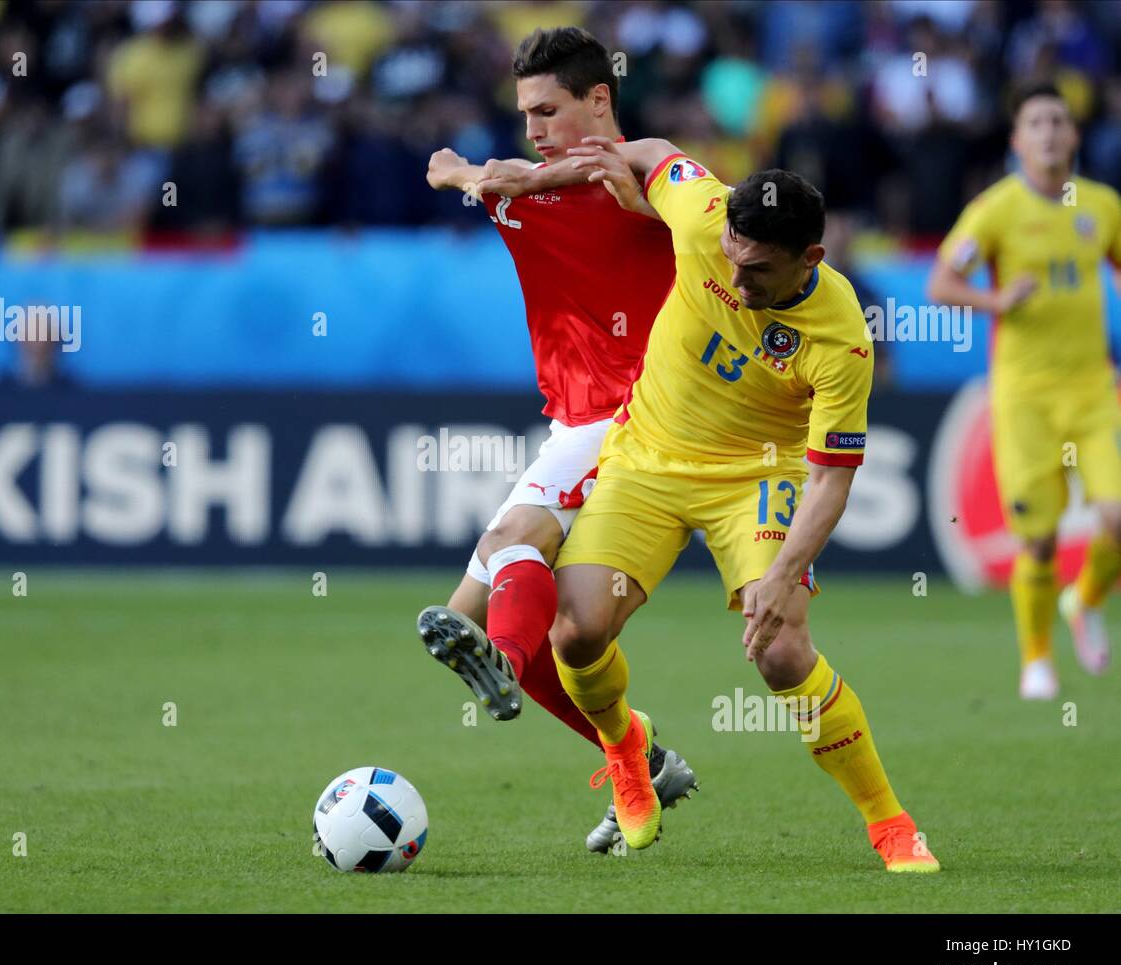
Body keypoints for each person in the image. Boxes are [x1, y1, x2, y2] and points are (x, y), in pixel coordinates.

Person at [479, 138, 940, 872]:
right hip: (647, 458)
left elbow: (831, 478)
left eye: (757, 270)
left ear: (809, 261)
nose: (734, 274)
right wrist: (530, 176)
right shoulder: (701, 214)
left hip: (755, 479)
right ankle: (628, 750)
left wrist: (785, 573)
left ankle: (890, 823)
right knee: (576, 632)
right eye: (730, 253)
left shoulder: (842, 336)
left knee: (783, 651)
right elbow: (646, 152)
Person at [421, 27, 696, 853]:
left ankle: (517, 669)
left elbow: (633, 161)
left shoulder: (643, 179)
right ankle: (640, 754)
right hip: (571, 418)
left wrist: (526, 174)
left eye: (550, 110)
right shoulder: (513, 182)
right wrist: (477, 175)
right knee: (457, 616)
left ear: (599, 98)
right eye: (525, 114)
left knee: (510, 559)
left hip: (638, 411)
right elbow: (438, 164)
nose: (534, 127)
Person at [928, 81, 1121, 700]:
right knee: (1038, 536)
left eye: (1059, 120)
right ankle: (1036, 659)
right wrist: (994, 300)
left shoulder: (1102, 205)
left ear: (1074, 135)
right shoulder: (996, 209)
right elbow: (940, 283)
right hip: (1025, 395)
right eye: (1036, 121)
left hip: (1093, 388)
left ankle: (1083, 600)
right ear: (1017, 139)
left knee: (1118, 518)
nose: (1049, 131)